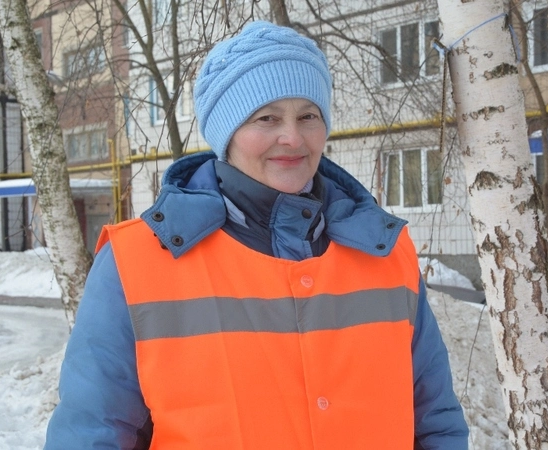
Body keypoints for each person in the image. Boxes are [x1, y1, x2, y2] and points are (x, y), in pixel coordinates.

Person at [44, 20, 469, 449]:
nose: (293, 137)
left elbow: (436, 423)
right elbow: (90, 434)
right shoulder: (136, 262)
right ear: (226, 134)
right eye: (267, 118)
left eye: (308, 116)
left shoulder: (385, 253)